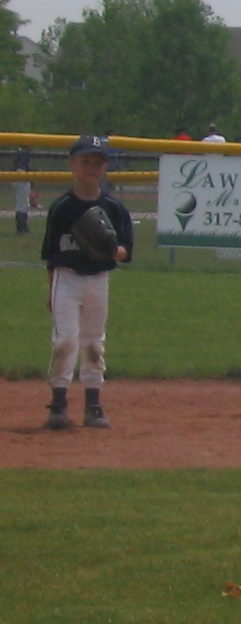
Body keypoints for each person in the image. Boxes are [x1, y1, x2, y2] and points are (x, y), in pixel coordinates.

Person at [41, 136, 133, 430]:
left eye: (98, 162)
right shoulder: (62, 207)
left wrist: (111, 249)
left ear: (106, 167)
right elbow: (51, 255)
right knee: (65, 341)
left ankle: (93, 404)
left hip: (98, 280)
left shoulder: (113, 207)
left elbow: (126, 251)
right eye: (85, 161)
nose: (91, 167)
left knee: (93, 342)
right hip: (66, 278)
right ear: (72, 164)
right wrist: (51, 290)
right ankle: (59, 403)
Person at [11, 144, 31, 235]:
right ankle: (22, 228)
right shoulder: (24, 153)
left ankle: (23, 228)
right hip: (22, 175)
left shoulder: (19, 152)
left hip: (18, 175)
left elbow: (14, 163)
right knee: (23, 203)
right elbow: (25, 166)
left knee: (22, 202)